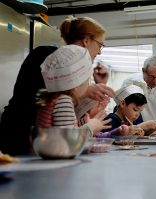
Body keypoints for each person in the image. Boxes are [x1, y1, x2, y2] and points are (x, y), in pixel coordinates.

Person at [0, 16, 114, 155]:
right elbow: (38, 99)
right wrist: (88, 125)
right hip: (21, 135)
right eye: (100, 45)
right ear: (86, 40)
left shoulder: (74, 69)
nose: (100, 51)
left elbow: (65, 118)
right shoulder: (48, 57)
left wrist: (94, 92)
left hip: (46, 145)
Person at [36, 45, 111, 136]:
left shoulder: (52, 98)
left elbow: (63, 129)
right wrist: (90, 128)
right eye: (87, 81)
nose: (88, 85)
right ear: (76, 83)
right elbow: (68, 139)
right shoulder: (64, 101)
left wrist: (82, 124)